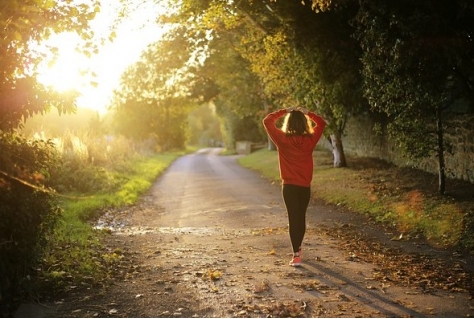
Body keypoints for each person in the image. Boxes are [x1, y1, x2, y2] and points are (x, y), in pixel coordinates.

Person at [263, 106, 326, 267]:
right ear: (304, 124)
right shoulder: (310, 140)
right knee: (301, 217)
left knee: (293, 218)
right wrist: (308, 113)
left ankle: (296, 254)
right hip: (304, 186)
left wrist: (284, 110)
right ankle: (298, 249)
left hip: (289, 187)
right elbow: (321, 123)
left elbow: (267, 121)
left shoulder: (282, 139)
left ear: (288, 123)